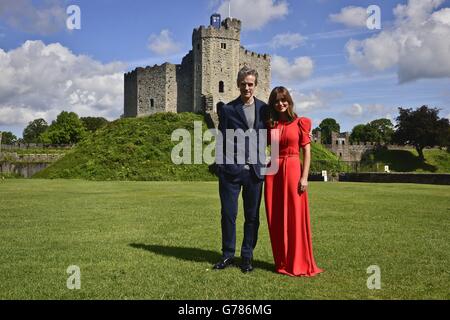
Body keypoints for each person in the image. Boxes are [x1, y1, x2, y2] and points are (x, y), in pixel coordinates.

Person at [213, 66, 268, 273]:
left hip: (255, 171)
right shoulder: (228, 109)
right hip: (230, 171)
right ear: (238, 84)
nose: (247, 87)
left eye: (250, 84)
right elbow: (221, 138)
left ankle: (247, 257)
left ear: (255, 85)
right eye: (243, 84)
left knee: (252, 217)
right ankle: (228, 255)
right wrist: (221, 165)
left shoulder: (264, 109)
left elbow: (274, 131)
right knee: (228, 214)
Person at [264, 86, 323, 277]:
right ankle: (281, 261)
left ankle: (298, 262)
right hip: (273, 173)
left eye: (283, 100)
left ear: (289, 101)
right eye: (276, 101)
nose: (280, 104)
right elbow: (266, 148)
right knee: (275, 216)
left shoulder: (300, 123)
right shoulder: (271, 125)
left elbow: (306, 151)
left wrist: (304, 177)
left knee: (295, 216)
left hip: (292, 170)